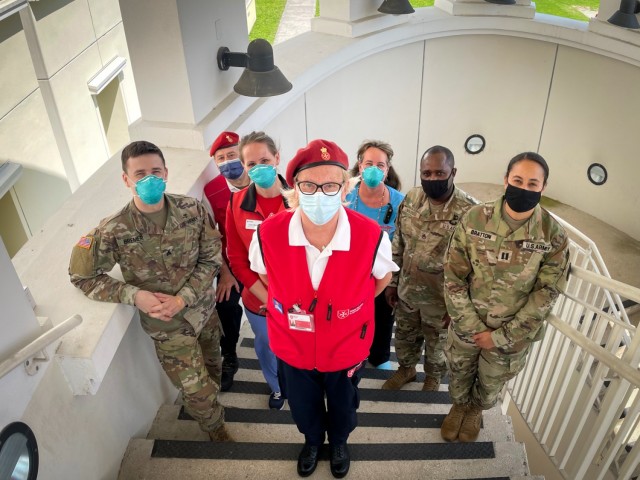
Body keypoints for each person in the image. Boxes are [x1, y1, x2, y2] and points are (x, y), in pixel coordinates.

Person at [249, 139, 398, 478]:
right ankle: (313, 440)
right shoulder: (268, 233)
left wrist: (348, 304)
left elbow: (382, 279)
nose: (320, 193)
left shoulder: (371, 235)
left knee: (344, 404)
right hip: (293, 344)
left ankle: (340, 441)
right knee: (302, 405)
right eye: (309, 185)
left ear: (346, 188)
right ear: (295, 189)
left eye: (331, 184)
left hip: (346, 344)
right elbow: (264, 275)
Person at [68, 140, 232, 442]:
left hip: (204, 312)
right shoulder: (112, 230)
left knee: (214, 365)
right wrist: (134, 296)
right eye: (140, 173)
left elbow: (211, 257)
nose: (149, 178)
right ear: (126, 179)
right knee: (195, 389)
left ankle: (215, 402)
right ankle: (216, 431)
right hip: (167, 327)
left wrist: (184, 297)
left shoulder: (192, 209)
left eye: (155, 171)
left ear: (166, 173)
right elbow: (82, 276)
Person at [441, 151, 570, 443]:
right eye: (517, 180)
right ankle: (459, 405)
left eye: (532, 183)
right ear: (506, 180)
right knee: (459, 371)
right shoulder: (475, 218)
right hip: (467, 324)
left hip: (511, 335)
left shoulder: (553, 236)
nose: (524, 188)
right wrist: (475, 328)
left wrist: (499, 337)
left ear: (543, 188)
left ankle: (475, 410)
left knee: (491, 381)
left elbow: (546, 295)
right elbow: (453, 276)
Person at [382, 146, 478, 392]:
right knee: (404, 338)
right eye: (427, 174)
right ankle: (406, 370)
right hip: (408, 292)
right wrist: (392, 283)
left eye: (439, 173)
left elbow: (475, 267)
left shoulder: (470, 213)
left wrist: (458, 306)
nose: (432, 179)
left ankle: (433, 378)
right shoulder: (412, 199)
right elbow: (399, 241)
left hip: (442, 300)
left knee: (438, 347)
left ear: (452, 172)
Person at [225, 131, 287, 410]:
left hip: (297, 299)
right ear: (244, 167)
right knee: (266, 346)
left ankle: (301, 387)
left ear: (277, 158)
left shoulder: (300, 199)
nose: (259, 167)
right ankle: (276, 388)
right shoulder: (236, 205)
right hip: (258, 300)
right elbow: (236, 258)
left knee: (297, 347)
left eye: (265, 159)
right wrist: (266, 297)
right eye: (251, 164)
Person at [345, 140, 405, 369]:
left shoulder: (399, 202)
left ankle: (379, 356)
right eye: (368, 163)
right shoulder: (346, 196)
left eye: (380, 164)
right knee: (351, 316)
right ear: (359, 166)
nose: (374, 168)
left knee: (383, 316)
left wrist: (394, 281)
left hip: (384, 272)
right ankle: (353, 353)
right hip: (350, 272)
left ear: (387, 169)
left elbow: (403, 243)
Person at [204, 131, 250, 391]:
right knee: (226, 304)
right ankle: (230, 355)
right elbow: (212, 237)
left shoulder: (263, 182)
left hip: (266, 261)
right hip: (231, 262)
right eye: (220, 158)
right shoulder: (212, 192)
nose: (226, 162)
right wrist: (225, 273)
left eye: (231, 155)